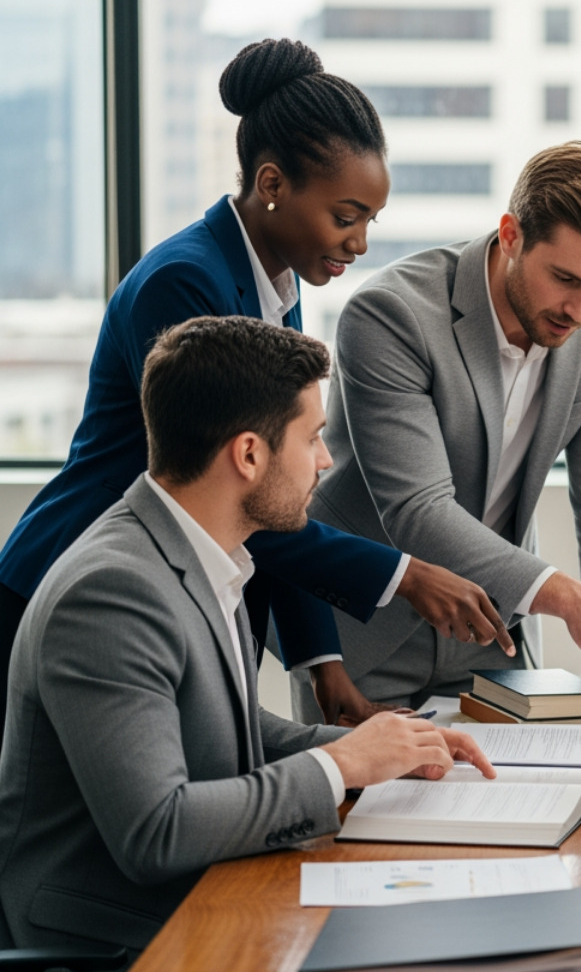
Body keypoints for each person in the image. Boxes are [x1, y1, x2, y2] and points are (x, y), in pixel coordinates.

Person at [0, 38, 508, 728]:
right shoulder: (186, 282)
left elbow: (273, 495)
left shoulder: (274, 283)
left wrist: (322, 667)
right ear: (272, 186)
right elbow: (229, 484)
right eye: (345, 215)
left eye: (369, 220)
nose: (359, 243)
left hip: (159, 589)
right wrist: (407, 576)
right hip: (73, 586)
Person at [0, 317, 496, 954]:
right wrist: (341, 764)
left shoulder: (206, 551)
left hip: (202, 893)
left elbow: (224, 727)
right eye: (313, 438)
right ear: (249, 454)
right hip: (109, 934)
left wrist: (388, 747)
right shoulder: (111, 594)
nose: (326, 460)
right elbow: (158, 832)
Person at [296, 140, 581, 721]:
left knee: (527, 797)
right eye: (565, 278)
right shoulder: (390, 315)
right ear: (511, 236)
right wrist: (568, 598)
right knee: (368, 811)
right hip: (369, 628)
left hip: (497, 631)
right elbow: (418, 509)